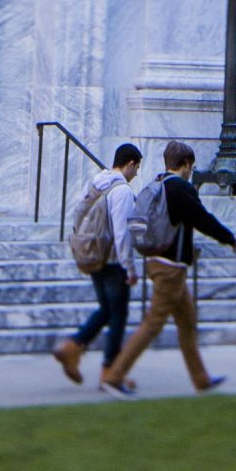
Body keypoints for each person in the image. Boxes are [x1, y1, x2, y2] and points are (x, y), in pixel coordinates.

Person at [102, 139, 236, 395]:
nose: (191, 171)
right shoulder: (180, 189)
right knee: (152, 324)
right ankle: (114, 376)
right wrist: (231, 239)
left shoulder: (157, 185)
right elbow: (204, 220)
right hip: (170, 268)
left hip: (158, 262)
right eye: (191, 166)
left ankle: (201, 379)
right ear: (186, 164)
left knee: (187, 322)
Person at [52, 143, 143, 389]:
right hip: (113, 260)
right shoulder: (122, 190)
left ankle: (72, 347)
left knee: (106, 309)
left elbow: (78, 214)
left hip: (92, 255)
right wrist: (130, 267)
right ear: (131, 163)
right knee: (118, 314)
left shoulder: (96, 182)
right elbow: (122, 232)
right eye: (137, 168)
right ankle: (110, 372)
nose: (136, 174)